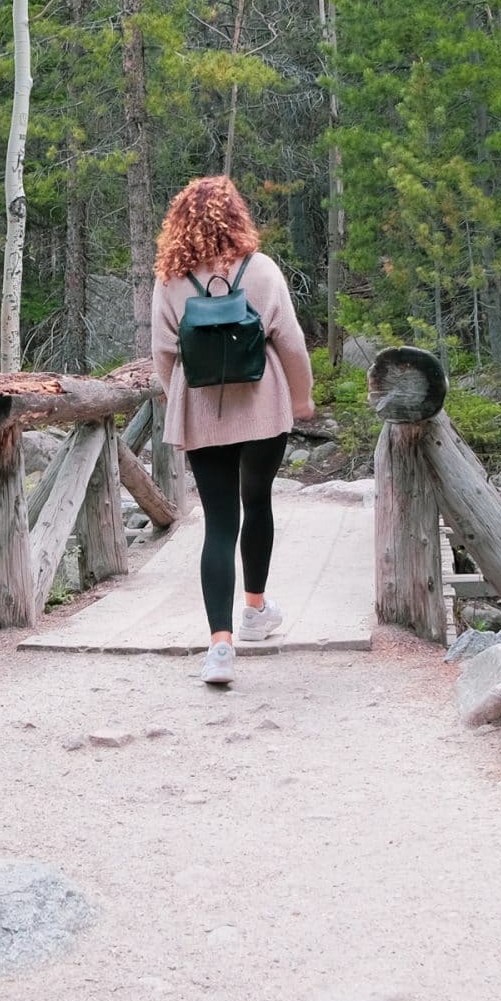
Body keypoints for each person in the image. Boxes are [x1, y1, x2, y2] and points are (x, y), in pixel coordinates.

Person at [147, 175, 315, 687]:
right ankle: (255, 610)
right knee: (258, 501)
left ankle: (220, 648)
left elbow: (163, 353)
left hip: (201, 409)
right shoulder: (261, 270)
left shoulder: (170, 279)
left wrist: (181, 392)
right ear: (237, 216)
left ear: (180, 223)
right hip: (262, 403)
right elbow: (290, 342)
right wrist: (303, 398)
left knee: (220, 521)